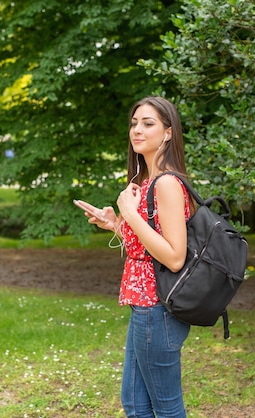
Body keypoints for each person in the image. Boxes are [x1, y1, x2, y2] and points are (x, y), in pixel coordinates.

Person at [79, 96, 193, 417]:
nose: (137, 130)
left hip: (159, 309)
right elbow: (145, 250)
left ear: (168, 133)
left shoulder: (167, 184)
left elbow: (173, 257)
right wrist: (115, 223)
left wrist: (130, 213)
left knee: (167, 408)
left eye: (148, 123)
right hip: (142, 307)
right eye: (134, 123)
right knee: (135, 404)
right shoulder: (145, 183)